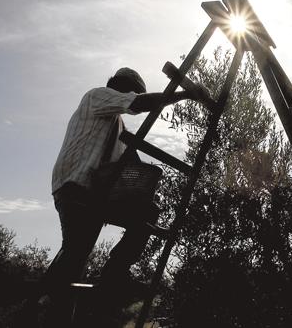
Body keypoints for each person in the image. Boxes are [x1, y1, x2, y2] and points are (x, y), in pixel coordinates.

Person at [41, 67, 209, 326]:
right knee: (77, 251)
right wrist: (185, 94)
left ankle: (113, 276)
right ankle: (48, 302)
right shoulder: (96, 97)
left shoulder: (117, 127)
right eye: (133, 92)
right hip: (74, 185)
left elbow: (131, 163)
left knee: (145, 215)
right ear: (121, 87)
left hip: (95, 195)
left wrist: (147, 192)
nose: (133, 97)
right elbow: (140, 104)